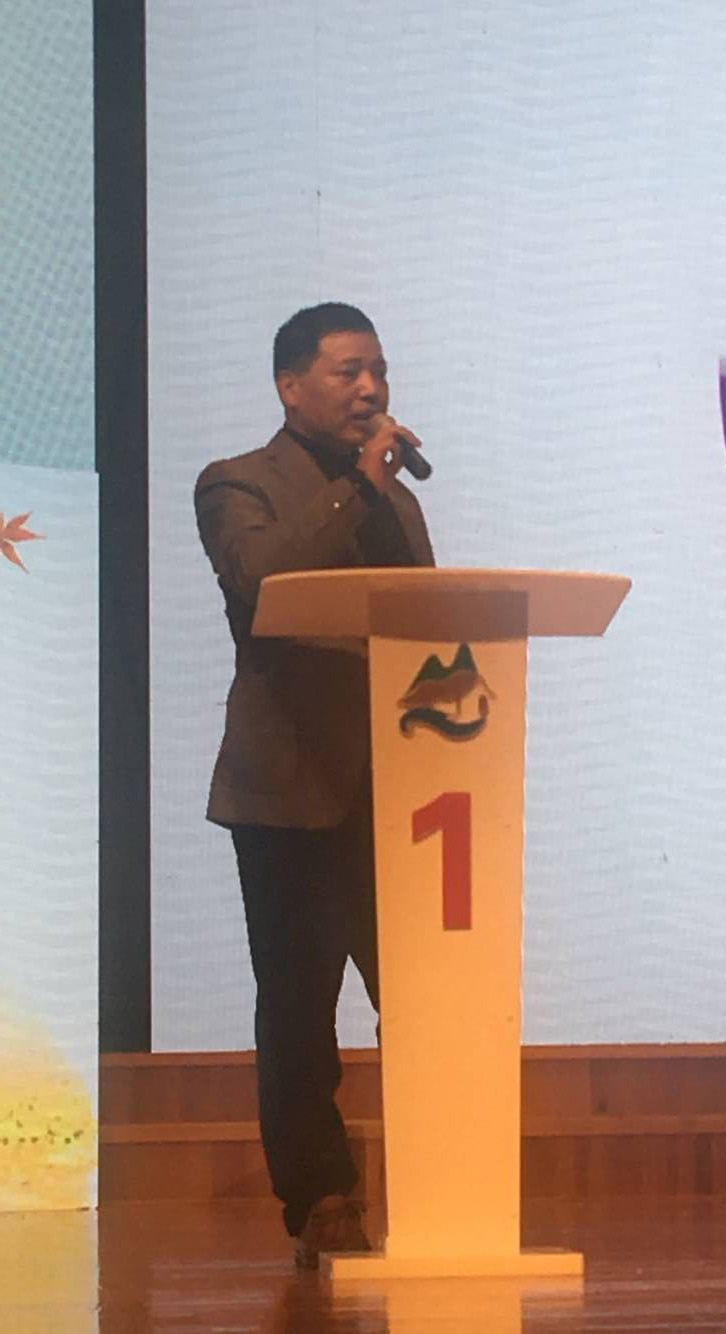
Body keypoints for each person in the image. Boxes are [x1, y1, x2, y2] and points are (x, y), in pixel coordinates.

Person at [194, 302, 434, 1268]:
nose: (370, 389)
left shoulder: (396, 503)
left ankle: (439, 1185)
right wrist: (356, 488)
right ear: (290, 386)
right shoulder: (237, 483)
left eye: (379, 370)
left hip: (401, 789)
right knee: (299, 1007)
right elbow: (264, 583)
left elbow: (429, 627)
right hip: (289, 788)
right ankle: (322, 1199)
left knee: (422, 999)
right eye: (348, 371)